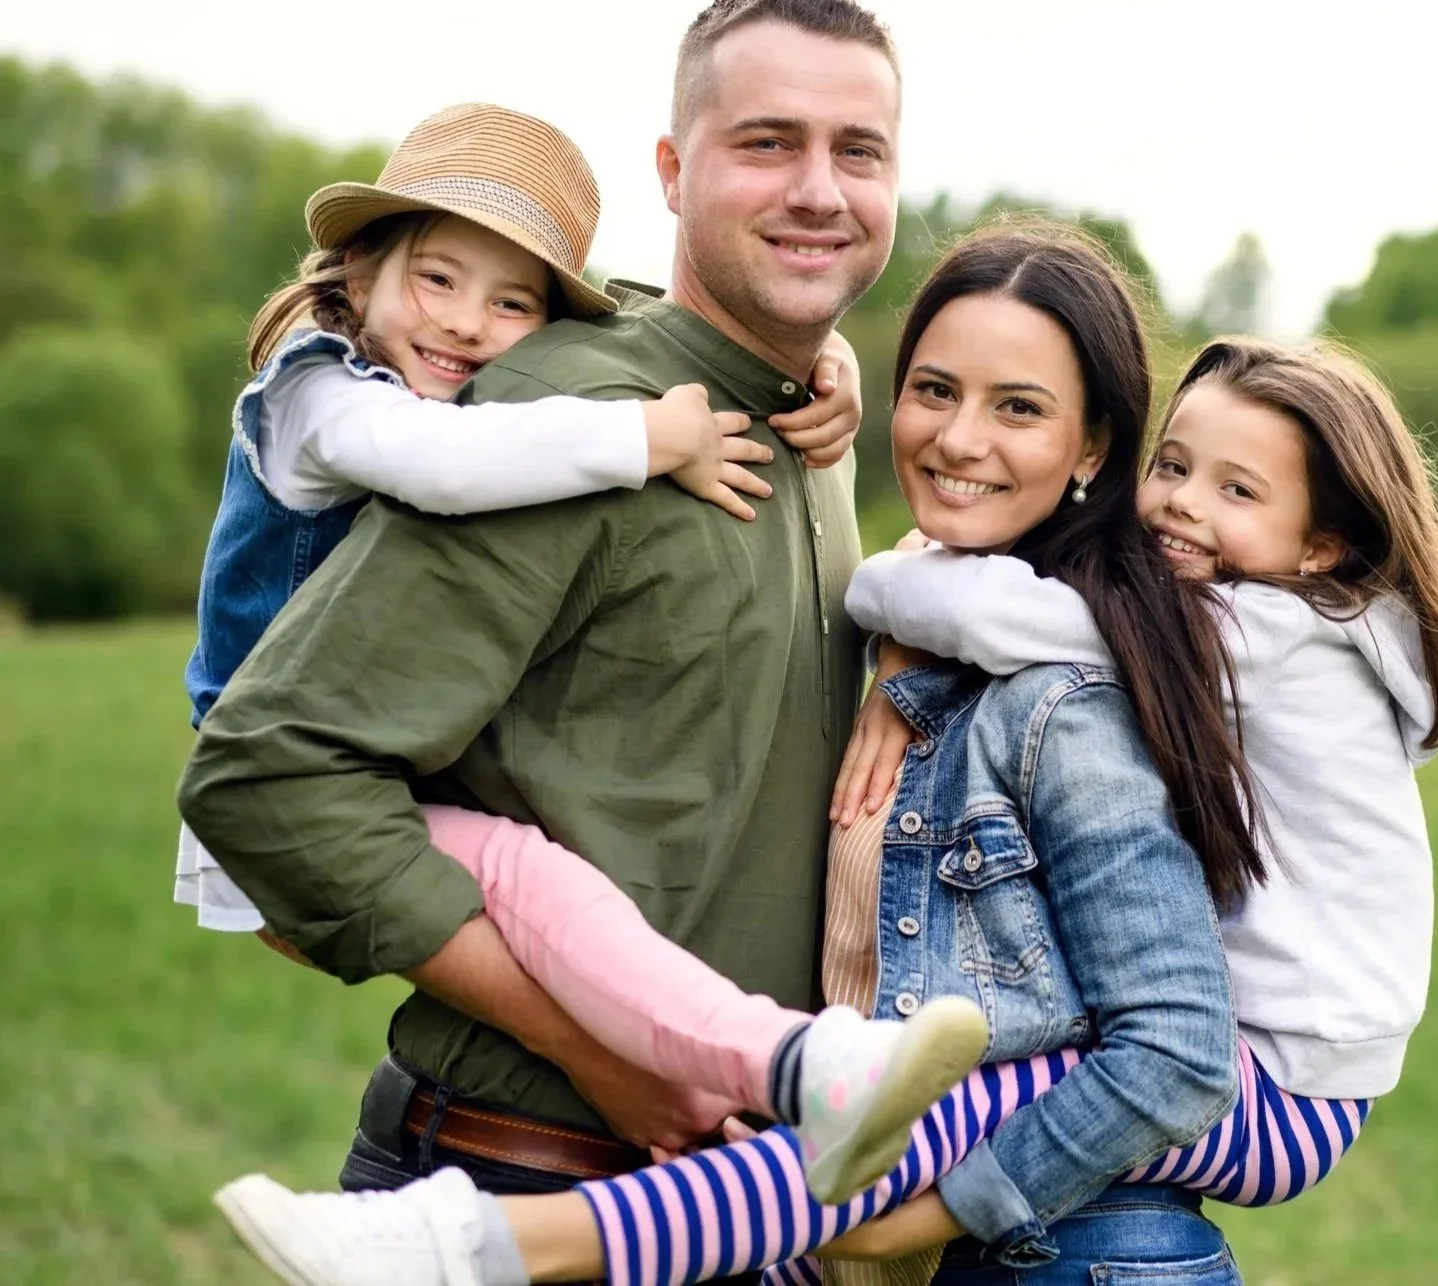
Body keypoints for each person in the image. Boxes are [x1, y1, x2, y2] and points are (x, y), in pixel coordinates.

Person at [210, 223, 1303, 1286]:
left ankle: (473, 1243)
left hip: (1063, 1245)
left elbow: (1174, 1047)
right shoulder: (917, 623)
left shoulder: (1065, 698)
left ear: (1095, 447)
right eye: (934, 389)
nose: (961, 438)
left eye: (1019, 408)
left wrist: (883, 1224)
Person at [174, 92, 988, 1209]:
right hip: (516, 1161)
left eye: (511, 301)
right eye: (764, 138)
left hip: (715, 1200)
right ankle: (782, 1057)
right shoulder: (355, 400)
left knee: (535, 880)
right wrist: (648, 436)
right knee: (533, 879)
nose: (466, 325)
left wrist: (827, 360)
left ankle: (793, 1064)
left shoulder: (794, 423)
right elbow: (274, 766)